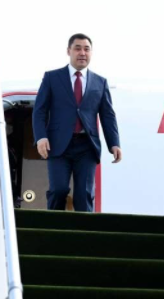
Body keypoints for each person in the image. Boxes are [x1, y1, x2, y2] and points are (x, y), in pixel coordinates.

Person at [32, 33, 122, 212]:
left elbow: (108, 115)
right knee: (58, 190)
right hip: (58, 145)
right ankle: (54, 226)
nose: (82, 53)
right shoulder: (52, 77)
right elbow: (39, 110)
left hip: (87, 146)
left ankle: (84, 230)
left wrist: (114, 143)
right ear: (69, 51)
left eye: (87, 49)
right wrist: (41, 137)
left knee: (84, 195)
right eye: (78, 48)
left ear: (91, 53)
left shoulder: (100, 82)